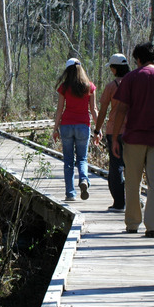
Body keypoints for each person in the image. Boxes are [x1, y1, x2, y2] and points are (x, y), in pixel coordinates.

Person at [111, 42, 154, 238]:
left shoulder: (130, 79)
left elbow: (121, 111)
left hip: (133, 138)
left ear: (138, 59)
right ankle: (153, 227)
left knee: (132, 182)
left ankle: (133, 224)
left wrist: (116, 138)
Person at [52, 58, 100, 201]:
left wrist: (55, 129)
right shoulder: (89, 87)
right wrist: (98, 129)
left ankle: (70, 194)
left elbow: (60, 109)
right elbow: (94, 109)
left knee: (68, 161)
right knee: (82, 159)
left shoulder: (64, 87)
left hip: (66, 126)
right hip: (83, 127)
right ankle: (84, 180)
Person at [96, 53, 130, 211]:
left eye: (111, 67)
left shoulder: (111, 87)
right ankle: (133, 200)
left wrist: (97, 129)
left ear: (115, 69)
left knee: (116, 166)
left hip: (113, 131)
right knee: (132, 167)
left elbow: (102, 111)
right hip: (133, 131)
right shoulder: (134, 84)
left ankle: (119, 203)